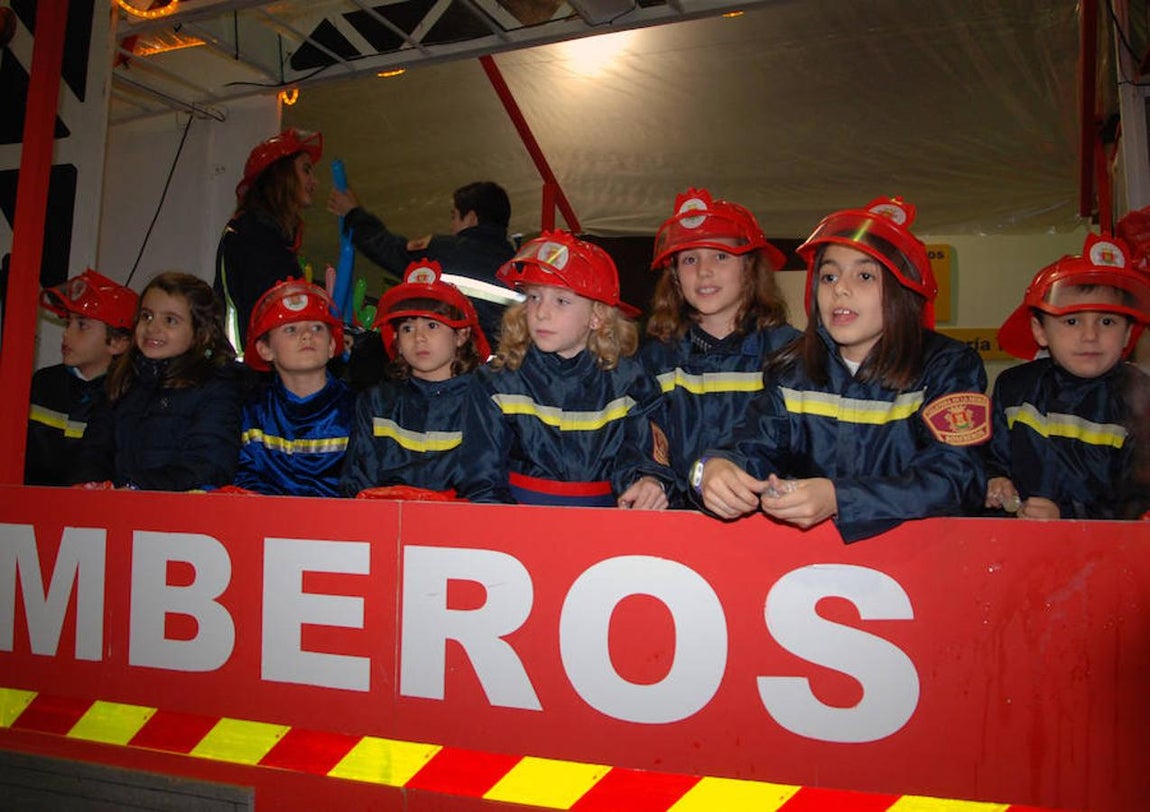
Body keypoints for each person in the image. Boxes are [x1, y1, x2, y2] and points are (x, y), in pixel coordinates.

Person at [696, 197, 990, 542]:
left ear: (903, 290)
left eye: (864, 275)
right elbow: (749, 446)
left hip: (923, 560)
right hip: (813, 564)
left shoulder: (949, 367)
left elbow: (958, 479)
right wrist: (713, 469)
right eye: (829, 276)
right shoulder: (791, 371)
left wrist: (839, 498)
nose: (840, 289)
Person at [456, 230, 673, 508]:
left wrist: (648, 481)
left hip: (606, 522)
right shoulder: (495, 383)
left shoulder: (631, 383)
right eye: (534, 297)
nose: (541, 313)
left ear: (596, 316)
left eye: (561, 300)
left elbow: (644, 456)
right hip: (517, 520)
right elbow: (481, 481)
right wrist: (508, 529)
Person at [640, 188, 799, 505]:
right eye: (690, 259)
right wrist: (648, 478)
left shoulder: (791, 353)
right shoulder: (654, 359)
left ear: (749, 267)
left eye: (721, 255)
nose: (704, 271)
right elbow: (642, 437)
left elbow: (794, 446)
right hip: (676, 524)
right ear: (675, 277)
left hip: (767, 524)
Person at [985, 233, 1150, 520]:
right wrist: (994, 480)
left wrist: (1067, 518)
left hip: (1103, 546)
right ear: (1040, 331)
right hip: (1014, 542)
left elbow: (1138, 506)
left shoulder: (1141, 400)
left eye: (1107, 321)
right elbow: (988, 457)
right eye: (1072, 321)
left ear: (1127, 333)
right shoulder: (1014, 388)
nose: (1090, 336)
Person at [70, 271, 243, 491]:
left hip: (178, 508)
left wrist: (137, 487)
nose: (152, 328)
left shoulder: (217, 388)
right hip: (116, 506)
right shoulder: (122, 379)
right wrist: (89, 484)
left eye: (170, 320)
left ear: (202, 333)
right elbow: (94, 450)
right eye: (146, 316)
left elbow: (209, 465)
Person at [340, 260, 490, 499]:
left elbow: (487, 486)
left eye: (432, 325)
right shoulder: (377, 403)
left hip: (461, 521)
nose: (419, 337)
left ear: (461, 335)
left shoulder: (485, 405)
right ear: (397, 341)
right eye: (407, 328)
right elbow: (357, 485)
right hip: (385, 520)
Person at [327, 180, 517, 343]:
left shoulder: (443, 251)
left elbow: (388, 249)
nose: (452, 227)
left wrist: (353, 214)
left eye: (454, 217)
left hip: (456, 361)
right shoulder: (520, 266)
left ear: (471, 218)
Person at [231, 279, 355, 497]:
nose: (307, 335)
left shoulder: (356, 409)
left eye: (317, 327)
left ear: (331, 346)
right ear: (265, 350)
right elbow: (244, 478)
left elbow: (360, 484)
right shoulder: (253, 410)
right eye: (291, 329)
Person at [215, 128, 323, 351]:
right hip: (251, 364)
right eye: (306, 170)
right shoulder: (254, 234)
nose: (315, 182)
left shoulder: (267, 234)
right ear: (281, 175)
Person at [26, 269, 137, 485]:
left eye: (82, 325)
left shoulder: (130, 396)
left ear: (118, 342)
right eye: (68, 323)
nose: (66, 334)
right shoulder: (44, 384)